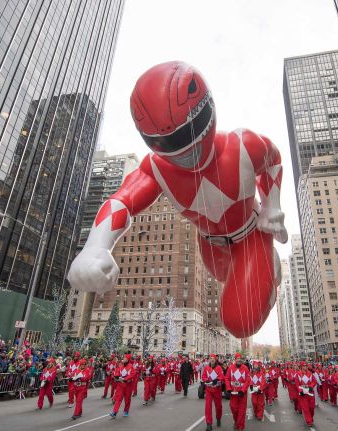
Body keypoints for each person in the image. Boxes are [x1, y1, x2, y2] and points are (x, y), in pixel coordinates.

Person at [67, 61, 289, 341]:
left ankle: (268, 266)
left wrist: (272, 206)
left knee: (239, 322)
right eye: (167, 142)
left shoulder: (243, 145)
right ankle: (257, 271)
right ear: (152, 141)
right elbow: (122, 201)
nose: (184, 150)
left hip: (250, 234)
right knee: (223, 279)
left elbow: (273, 158)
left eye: (187, 133)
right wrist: (95, 246)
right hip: (210, 244)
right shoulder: (157, 168)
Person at [226, 353, 249, 431]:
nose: (239, 359)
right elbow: (227, 378)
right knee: (233, 409)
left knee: (242, 411)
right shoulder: (231, 368)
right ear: (235, 359)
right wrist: (228, 388)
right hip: (233, 393)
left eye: (240, 358)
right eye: (237, 358)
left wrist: (242, 391)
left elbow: (247, 380)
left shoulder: (245, 368)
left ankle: (240, 426)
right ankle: (236, 421)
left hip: (242, 394)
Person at [202, 354, 224, 431]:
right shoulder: (207, 368)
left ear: (215, 360)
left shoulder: (219, 368)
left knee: (218, 407)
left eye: (213, 358)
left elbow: (221, 377)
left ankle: (218, 418)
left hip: (217, 390)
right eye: (211, 358)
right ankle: (209, 424)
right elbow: (204, 376)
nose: (212, 360)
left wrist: (217, 380)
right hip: (209, 390)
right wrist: (206, 380)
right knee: (208, 407)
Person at [110, 354, 135, 418]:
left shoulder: (131, 366)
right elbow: (117, 372)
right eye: (123, 358)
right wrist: (116, 376)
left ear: (128, 359)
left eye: (125, 358)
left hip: (128, 386)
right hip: (120, 385)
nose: (123, 359)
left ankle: (126, 411)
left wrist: (125, 379)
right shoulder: (121, 366)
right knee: (118, 398)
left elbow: (132, 374)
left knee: (127, 399)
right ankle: (114, 412)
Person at [296, 361, 317, 429]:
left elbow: (314, 381)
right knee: (306, 408)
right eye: (304, 366)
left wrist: (311, 387)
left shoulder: (310, 373)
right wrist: (301, 391)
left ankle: (310, 418)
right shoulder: (298, 374)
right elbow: (297, 384)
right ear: (301, 367)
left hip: (310, 393)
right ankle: (309, 421)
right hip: (303, 394)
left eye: (306, 366)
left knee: (312, 407)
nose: (305, 367)